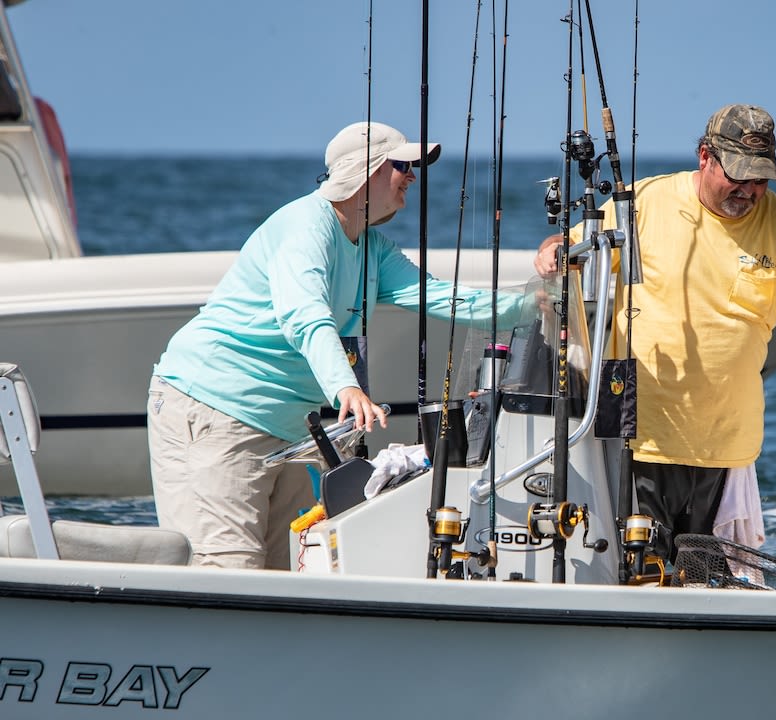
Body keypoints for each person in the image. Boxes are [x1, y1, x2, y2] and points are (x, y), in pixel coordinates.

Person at [534, 104, 776, 562]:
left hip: (727, 448)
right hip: (637, 436)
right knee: (635, 571)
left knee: (706, 581)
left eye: (760, 179)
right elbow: (569, 245)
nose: (750, 191)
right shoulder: (643, 203)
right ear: (704, 157)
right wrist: (553, 250)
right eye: (738, 175)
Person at [148, 121, 518, 570]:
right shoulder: (306, 228)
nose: (413, 178)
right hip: (213, 411)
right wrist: (346, 388)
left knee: (296, 568)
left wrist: (541, 300)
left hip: (286, 431)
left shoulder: (372, 248)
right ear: (367, 172)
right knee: (229, 570)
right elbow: (304, 316)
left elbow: (446, 298)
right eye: (403, 166)